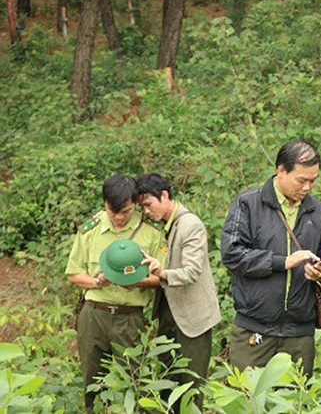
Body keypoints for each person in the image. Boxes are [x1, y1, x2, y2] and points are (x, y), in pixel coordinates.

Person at [220, 139, 321, 378]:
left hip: (300, 332)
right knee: (248, 401)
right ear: (281, 170)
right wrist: (282, 262)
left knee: (295, 401)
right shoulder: (249, 204)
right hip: (255, 327)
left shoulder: (318, 211)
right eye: (302, 180)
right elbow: (232, 255)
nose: (308, 187)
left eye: (313, 180)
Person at [65, 174, 163, 412]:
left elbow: (161, 276)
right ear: (104, 204)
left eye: (126, 212)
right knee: (92, 380)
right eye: (112, 211)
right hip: (94, 316)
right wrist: (97, 282)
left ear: (136, 204)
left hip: (130, 318)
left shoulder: (150, 231)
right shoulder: (90, 230)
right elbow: (73, 273)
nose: (119, 218)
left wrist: (138, 282)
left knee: (135, 381)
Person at [138, 173, 221, 412]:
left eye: (148, 205)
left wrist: (161, 272)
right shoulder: (167, 224)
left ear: (164, 196)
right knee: (167, 379)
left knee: (191, 386)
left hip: (193, 319)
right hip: (170, 313)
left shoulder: (190, 224)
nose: (145, 211)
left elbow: (191, 272)